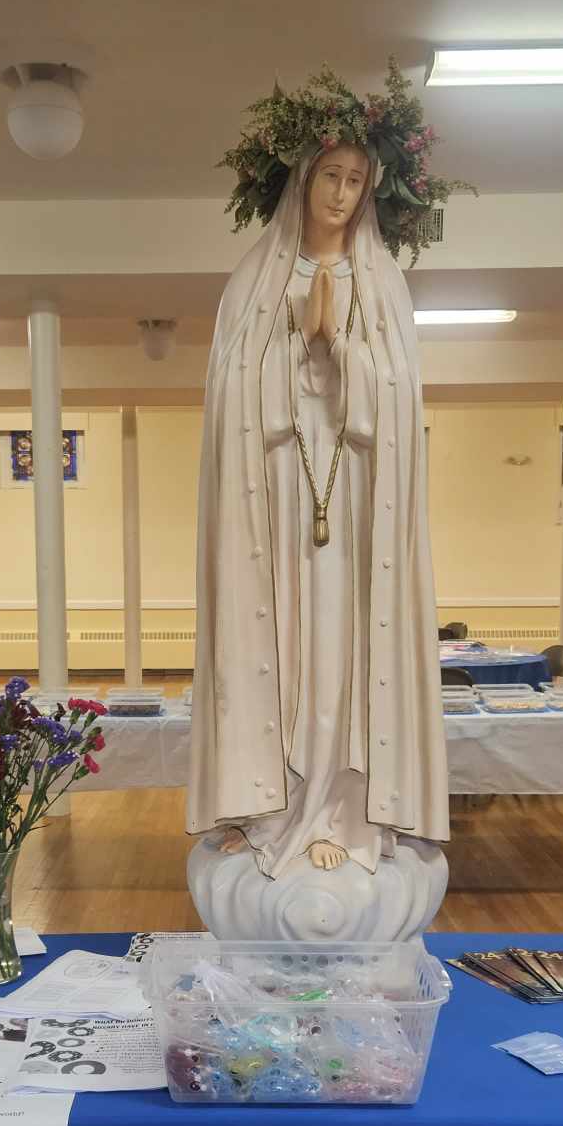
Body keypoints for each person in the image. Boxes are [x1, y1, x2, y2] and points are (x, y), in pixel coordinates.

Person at [187, 139, 446, 879]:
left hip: (357, 499)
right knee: (273, 639)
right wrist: (297, 340)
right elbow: (230, 397)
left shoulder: (382, 282)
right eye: (330, 175)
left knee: (340, 640)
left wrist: (341, 345)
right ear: (302, 181)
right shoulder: (255, 280)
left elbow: (400, 401)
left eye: (356, 180)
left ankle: (338, 806)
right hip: (273, 492)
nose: (341, 193)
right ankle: (265, 806)